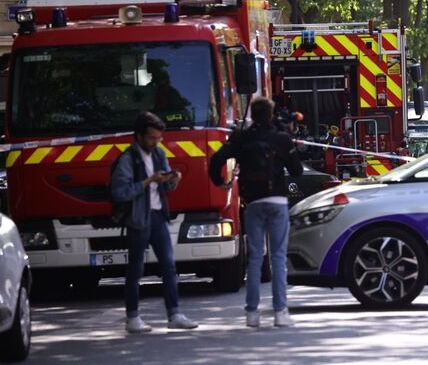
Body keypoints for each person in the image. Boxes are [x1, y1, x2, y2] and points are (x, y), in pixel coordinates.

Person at [209, 97, 303, 328]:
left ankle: (252, 312)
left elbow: (217, 159)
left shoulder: (242, 138)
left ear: (252, 113)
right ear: (271, 114)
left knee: (254, 259)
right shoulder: (280, 138)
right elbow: (297, 171)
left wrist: (221, 182)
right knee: (278, 257)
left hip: (252, 204)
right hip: (278, 201)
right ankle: (280, 312)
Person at [110, 111, 199, 333]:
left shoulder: (159, 154)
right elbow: (120, 192)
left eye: (159, 138)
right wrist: (148, 180)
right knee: (136, 269)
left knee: (169, 265)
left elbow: (165, 187)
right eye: (152, 137)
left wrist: (173, 180)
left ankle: (174, 314)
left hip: (158, 216)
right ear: (139, 136)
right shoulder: (127, 159)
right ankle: (132, 318)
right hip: (139, 219)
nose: (156, 142)